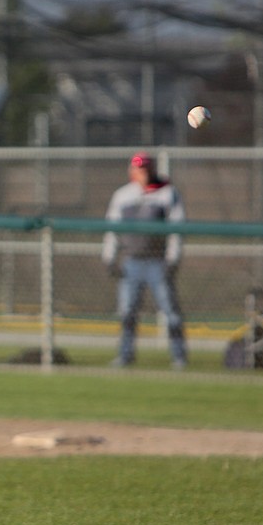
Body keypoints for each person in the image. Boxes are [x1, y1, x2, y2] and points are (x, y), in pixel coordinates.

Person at [101, 151, 188, 369]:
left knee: (170, 313)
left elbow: (177, 230)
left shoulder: (167, 193)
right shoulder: (123, 195)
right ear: (131, 171)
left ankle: (179, 356)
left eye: (146, 168)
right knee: (127, 311)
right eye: (138, 168)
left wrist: (173, 259)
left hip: (158, 262)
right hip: (131, 262)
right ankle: (125, 355)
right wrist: (109, 257)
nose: (142, 172)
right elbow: (111, 230)